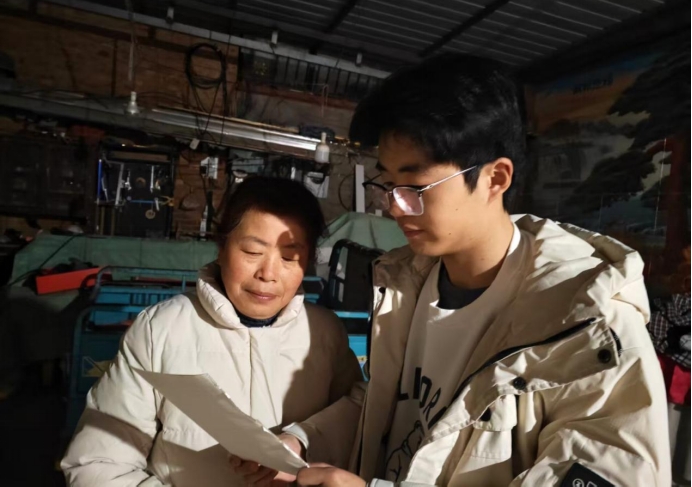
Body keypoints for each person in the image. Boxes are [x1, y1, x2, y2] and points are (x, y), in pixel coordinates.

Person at [233, 55, 671, 486]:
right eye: (388, 184)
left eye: (415, 187)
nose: (395, 207)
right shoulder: (406, 282)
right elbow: (385, 403)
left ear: (495, 179)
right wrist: (302, 441)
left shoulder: (587, 323)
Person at [62, 177, 362, 486]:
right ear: (221, 247)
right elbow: (98, 464)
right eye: (252, 251)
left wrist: (303, 440)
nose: (268, 274)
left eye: (289, 257)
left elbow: (359, 426)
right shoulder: (161, 329)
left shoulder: (324, 333)